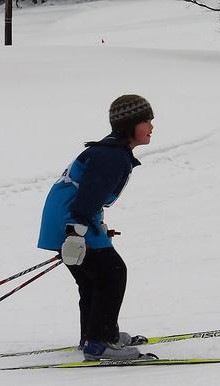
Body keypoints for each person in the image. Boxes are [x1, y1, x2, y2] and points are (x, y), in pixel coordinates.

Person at [37, 94, 154, 360]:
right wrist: (76, 232)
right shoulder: (112, 156)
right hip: (72, 222)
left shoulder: (112, 152)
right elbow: (87, 198)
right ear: (130, 124)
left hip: (69, 221)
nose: (151, 127)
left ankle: (95, 335)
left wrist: (94, 228)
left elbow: (90, 197)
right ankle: (100, 340)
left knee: (94, 280)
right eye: (146, 121)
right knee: (112, 274)